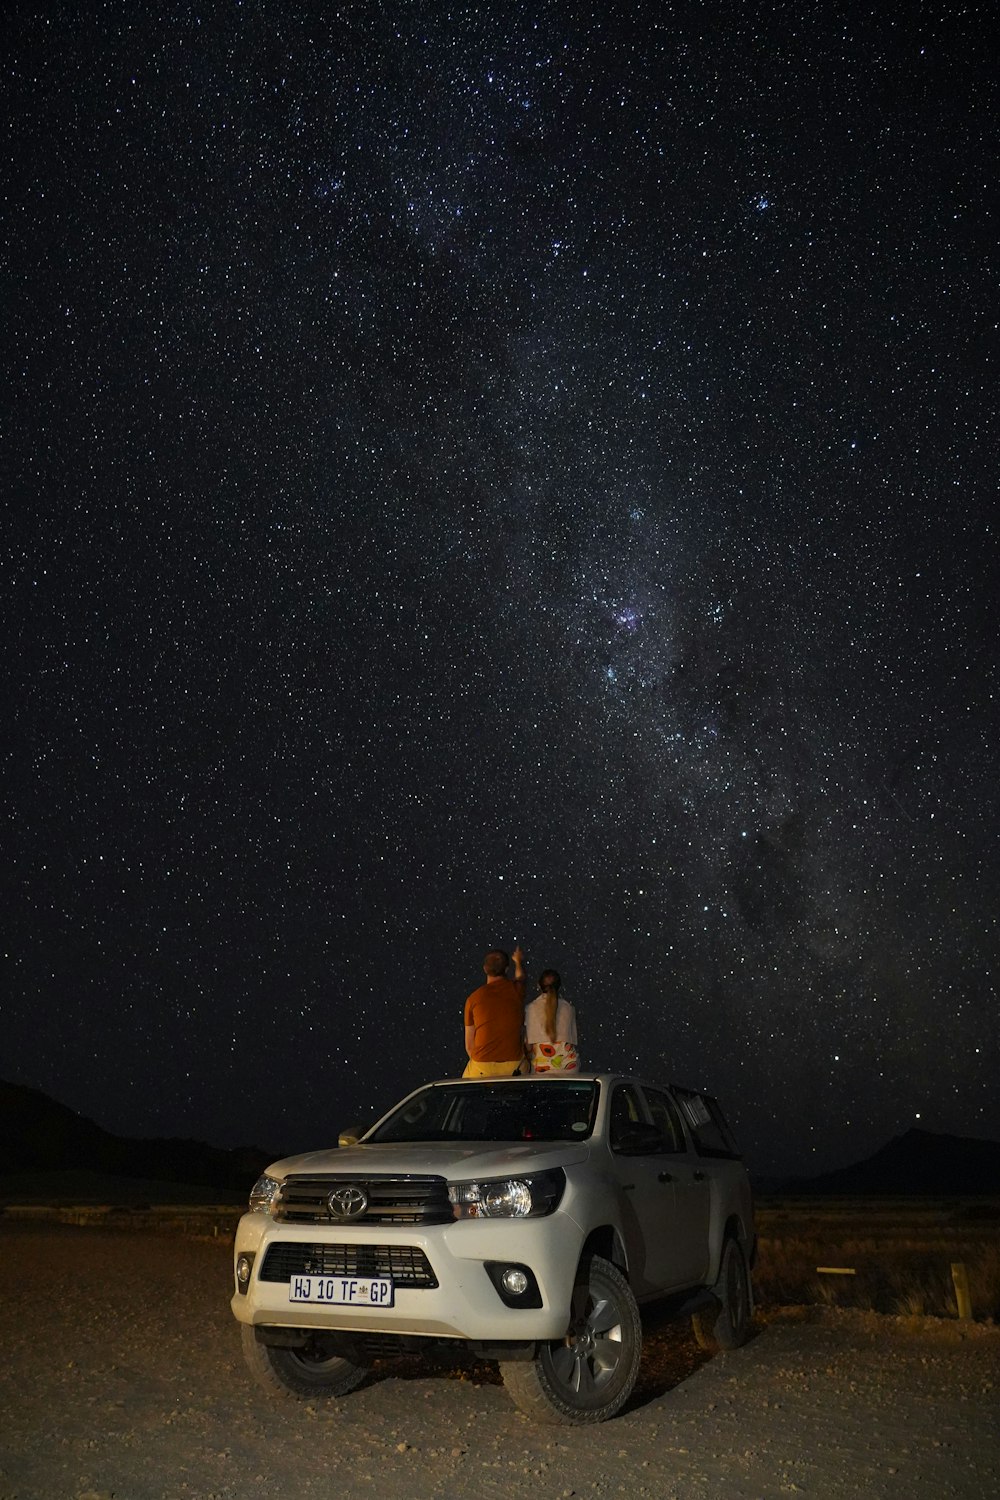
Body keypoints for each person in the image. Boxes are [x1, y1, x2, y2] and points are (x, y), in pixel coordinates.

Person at [463, 946, 529, 1078]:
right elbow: (521, 977)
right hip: (513, 1066)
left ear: (484, 969)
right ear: (506, 969)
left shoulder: (473, 999)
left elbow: (469, 1045)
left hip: (481, 1065)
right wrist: (518, 962)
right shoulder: (516, 991)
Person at [524, 968, 580, 1073]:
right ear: (559, 986)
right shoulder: (570, 1009)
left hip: (540, 1069)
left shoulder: (530, 1009)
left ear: (538, 985)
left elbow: (528, 1046)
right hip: (569, 1068)